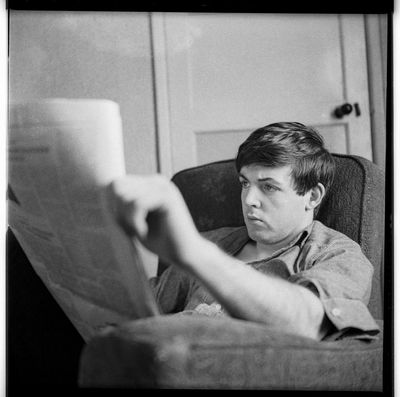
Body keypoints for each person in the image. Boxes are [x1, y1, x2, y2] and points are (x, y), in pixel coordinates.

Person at [107, 122, 380, 342]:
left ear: (312, 195)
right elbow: (134, 309)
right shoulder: (213, 241)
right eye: (244, 183)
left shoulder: (338, 254)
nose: (249, 199)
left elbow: (309, 324)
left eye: (269, 186)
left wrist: (197, 254)